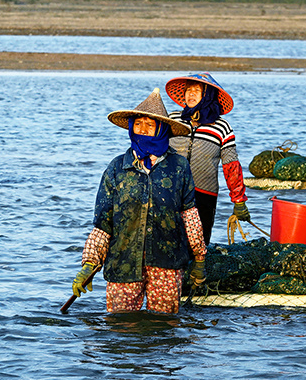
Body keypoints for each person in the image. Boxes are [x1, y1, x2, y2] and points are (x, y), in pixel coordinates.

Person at [72, 89, 207, 314]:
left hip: (167, 263)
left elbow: (190, 215)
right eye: (138, 124)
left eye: (150, 125)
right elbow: (103, 222)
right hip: (123, 263)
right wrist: (90, 263)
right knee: (121, 326)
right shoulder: (117, 168)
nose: (142, 129)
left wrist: (200, 258)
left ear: (162, 129)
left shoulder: (178, 167)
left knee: (164, 327)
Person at [166, 72, 248, 245]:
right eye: (188, 90)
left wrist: (239, 200)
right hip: (170, 190)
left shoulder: (221, 127)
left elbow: (231, 165)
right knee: (167, 242)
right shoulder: (173, 119)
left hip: (204, 194)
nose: (191, 94)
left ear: (207, 95)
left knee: (198, 244)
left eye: (197, 90)